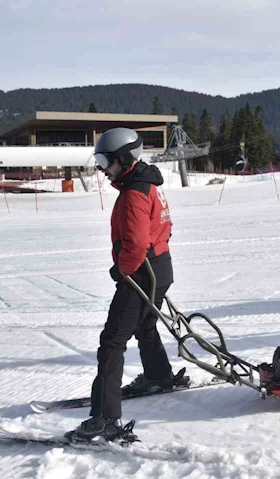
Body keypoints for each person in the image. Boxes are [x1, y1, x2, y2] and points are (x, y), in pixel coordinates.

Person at [67, 128, 176, 442]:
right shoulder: (148, 183)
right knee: (144, 326)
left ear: (124, 159)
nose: (102, 168)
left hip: (142, 272)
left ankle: (104, 419)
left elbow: (136, 244)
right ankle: (159, 375)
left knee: (112, 341)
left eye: (105, 161)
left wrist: (122, 271)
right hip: (160, 268)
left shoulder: (133, 194)